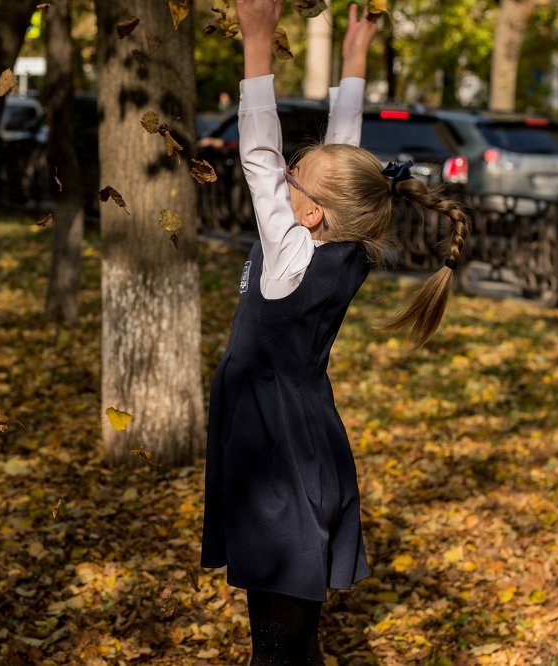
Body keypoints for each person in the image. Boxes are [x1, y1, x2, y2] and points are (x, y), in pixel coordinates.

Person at [200, 1, 470, 664]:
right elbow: (345, 163)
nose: (285, 175)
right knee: (293, 637)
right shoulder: (343, 240)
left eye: (296, 178)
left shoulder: (291, 254)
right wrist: (353, 62)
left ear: (313, 212)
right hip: (304, 440)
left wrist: (256, 46)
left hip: (273, 453)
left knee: (279, 645)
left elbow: (260, 158)